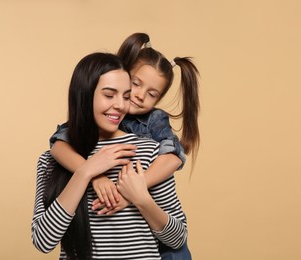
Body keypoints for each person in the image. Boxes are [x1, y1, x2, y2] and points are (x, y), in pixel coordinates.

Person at [48, 33, 200, 259]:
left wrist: (134, 191)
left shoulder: (153, 122)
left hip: (166, 249)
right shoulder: (82, 132)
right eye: (135, 83)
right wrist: (92, 174)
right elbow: (58, 143)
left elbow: (174, 156)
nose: (138, 96)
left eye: (152, 94)